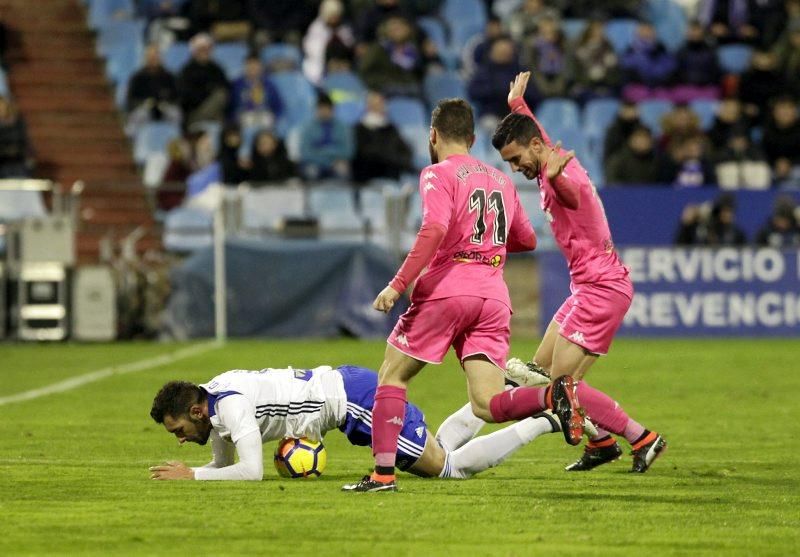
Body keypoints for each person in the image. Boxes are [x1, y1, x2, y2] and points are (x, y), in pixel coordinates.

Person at [343, 98, 583, 493]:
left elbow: (434, 228)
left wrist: (397, 284)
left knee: (392, 376)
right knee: (487, 404)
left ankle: (382, 475)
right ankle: (550, 395)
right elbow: (523, 237)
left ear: (433, 135)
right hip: (492, 296)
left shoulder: (437, 173)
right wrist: (486, 243)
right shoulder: (500, 178)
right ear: (472, 139)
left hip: (446, 291)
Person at [492, 72, 667, 473]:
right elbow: (536, 138)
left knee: (560, 387)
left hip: (601, 290)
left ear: (535, 148)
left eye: (516, 159)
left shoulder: (561, 175)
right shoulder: (546, 155)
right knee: (537, 375)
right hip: (586, 288)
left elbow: (572, 193)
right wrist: (518, 105)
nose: (516, 167)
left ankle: (643, 438)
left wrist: (557, 180)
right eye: (509, 162)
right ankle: (601, 443)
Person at [148, 364, 561, 481]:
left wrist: (196, 478)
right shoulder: (212, 399)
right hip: (347, 390)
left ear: (197, 412)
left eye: (179, 431)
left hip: (356, 402)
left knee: (448, 468)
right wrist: (196, 471)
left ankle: (546, 419)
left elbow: (251, 471)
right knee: (435, 450)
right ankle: (502, 388)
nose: (182, 440)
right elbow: (224, 465)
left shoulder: (231, 408)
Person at [352, 90, 412, 183]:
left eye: (381, 102)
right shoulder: (360, 128)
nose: (380, 106)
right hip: (369, 174)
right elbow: (364, 152)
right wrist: (392, 158)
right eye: (376, 103)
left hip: (392, 169)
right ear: (368, 106)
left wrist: (400, 160)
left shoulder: (390, 127)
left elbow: (405, 149)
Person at [125, 45, 181, 135]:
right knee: (139, 116)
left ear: (160, 58)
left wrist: (166, 103)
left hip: (164, 108)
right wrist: (143, 103)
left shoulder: (169, 77)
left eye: (156, 56)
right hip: (145, 108)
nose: (153, 59)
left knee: (175, 114)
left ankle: (174, 142)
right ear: (146, 58)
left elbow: (177, 97)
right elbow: (130, 100)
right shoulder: (137, 77)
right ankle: (134, 144)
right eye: (151, 57)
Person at [298, 93, 354, 181]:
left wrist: (322, 152)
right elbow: (305, 152)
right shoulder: (307, 128)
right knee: (310, 171)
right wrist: (328, 157)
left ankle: (341, 195)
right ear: (316, 110)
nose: (324, 111)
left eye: (327, 108)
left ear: (332, 110)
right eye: (321, 108)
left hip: (336, 163)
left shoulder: (343, 127)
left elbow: (348, 151)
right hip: (314, 163)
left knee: (343, 170)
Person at [177, 33, 229, 127]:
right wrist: (207, 92)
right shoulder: (187, 71)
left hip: (215, 111)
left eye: (207, 49)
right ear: (195, 51)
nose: (205, 52)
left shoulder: (217, 69)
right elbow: (186, 96)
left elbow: (226, 87)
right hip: (194, 113)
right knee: (219, 96)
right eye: (201, 49)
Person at [228, 54, 284, 131]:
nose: (253, 68)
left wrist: (275, 117)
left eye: (255, 65)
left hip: (264, 115)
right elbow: (230, 106)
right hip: (244, 116)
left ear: (261, 67)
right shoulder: (237, 85)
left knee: (267, 121)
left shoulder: (269, 85)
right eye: (250, 65)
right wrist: (233, 119)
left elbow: (278, 105)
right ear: (245, 67)